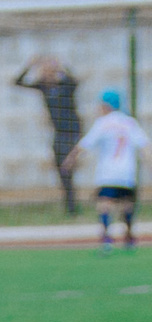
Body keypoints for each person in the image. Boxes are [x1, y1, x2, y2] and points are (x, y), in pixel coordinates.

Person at [73, 87, 147, 249]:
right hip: (127, 172)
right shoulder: (129, 122)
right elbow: (144, 145)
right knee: (127, 204)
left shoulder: (103, 123)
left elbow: (85, 145)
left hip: (107, 172)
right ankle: (129, 237)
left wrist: (71, 160)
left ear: (106, 105)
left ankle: (106, 239)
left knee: (104, 204)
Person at [14, 55, 84, 215]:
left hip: (73, 131)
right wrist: (29, 66)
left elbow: (75, 82)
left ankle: (72, 207)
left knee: (68, 166)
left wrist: (61, 67)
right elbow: (17, 82)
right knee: (62, 168)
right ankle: (70, 206)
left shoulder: (65, 85)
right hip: (59, 133)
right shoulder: (43, 87)